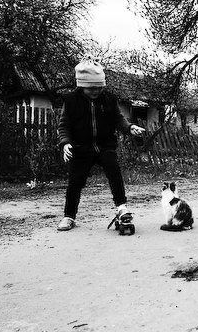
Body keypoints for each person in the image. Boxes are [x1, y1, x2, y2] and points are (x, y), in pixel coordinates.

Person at [56, 57, 145, 231]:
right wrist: (65, 143)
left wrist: (130, 127)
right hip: (80, 147)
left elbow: (119, 119)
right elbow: (64, 125)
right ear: (81, 86)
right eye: (91, 88)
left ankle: (121, 208)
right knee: (75, 181)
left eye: (99, 87)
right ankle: (69, 216)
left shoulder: (109, 99)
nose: (96, 91)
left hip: (105, 145)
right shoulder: (71, 101)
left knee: (114, 170)